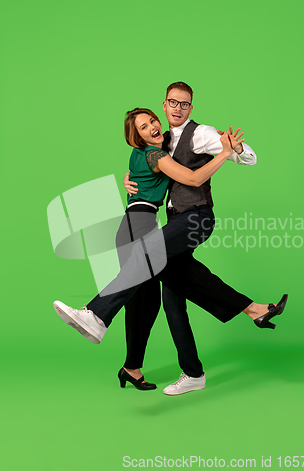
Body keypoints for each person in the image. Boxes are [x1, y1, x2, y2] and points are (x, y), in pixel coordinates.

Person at [53, 106, 262, 389]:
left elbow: (143, 169)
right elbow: (192, 179)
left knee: (146, 301)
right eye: (143, 127)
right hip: (137, 224)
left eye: (152, 121)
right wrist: (225, 152)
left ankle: (132, 367)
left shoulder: (158, 146)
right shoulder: (155, 153)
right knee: (157, 291)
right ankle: (96, 315)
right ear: (135, 137)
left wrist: (229, 143)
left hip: (140, 222)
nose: (152, 127)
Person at [122, 81, 288, 395]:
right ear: (165, 103)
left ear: (191, 108)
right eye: (172, 102)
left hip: (195, 217)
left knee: (154, 262)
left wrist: (235, 149)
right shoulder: (159, 140)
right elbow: (146, 168)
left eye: (184, 104)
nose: (177, 108)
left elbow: (247, 156)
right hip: (174, 219)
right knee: (172, 299)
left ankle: (252, 308)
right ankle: (193, 373)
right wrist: (128, 179)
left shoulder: (200, 133)